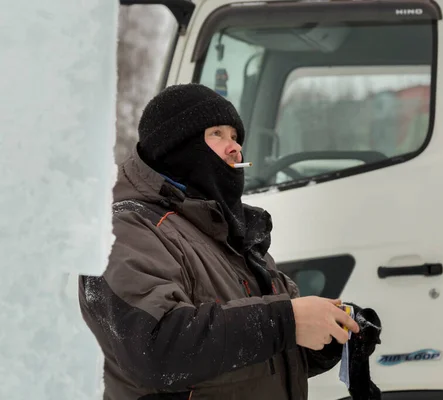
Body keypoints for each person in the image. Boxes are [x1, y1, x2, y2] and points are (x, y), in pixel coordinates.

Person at [78, 83, 366, 400]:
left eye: (236, 138)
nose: (235, 149)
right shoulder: (126, 228)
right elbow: (157, 348)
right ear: (174, 146)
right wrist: (288, 321)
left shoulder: (226, 232)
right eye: (217, 134)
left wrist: (331, 335)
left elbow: (253, 352)